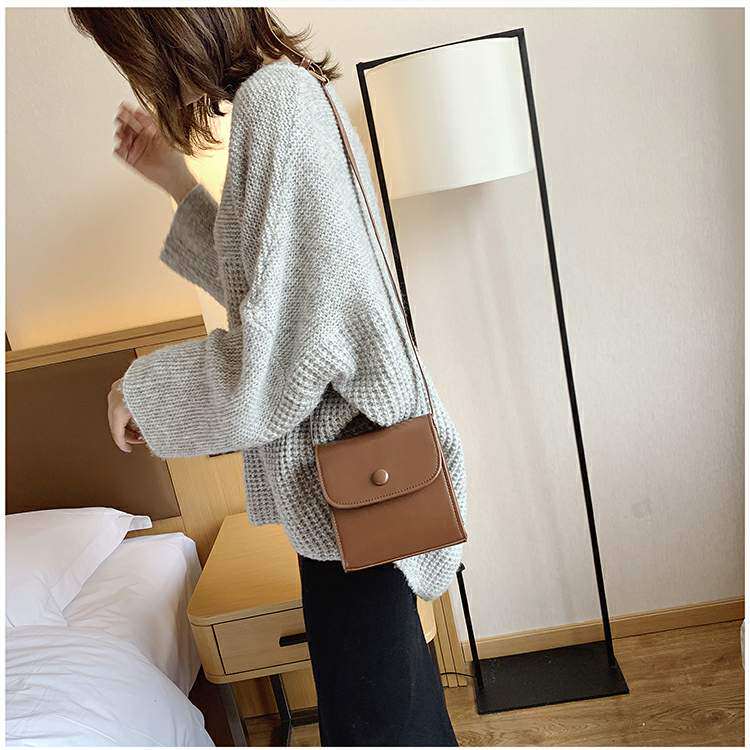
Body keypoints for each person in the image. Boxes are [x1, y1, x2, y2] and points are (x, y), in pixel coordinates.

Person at [70, 8, 467, 746]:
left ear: (163, 34)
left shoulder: (274, 107)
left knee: (379, 730)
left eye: (126, 50)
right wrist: (176, 181)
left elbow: (277, 362)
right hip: (356, 490)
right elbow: (276, 296)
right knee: (397, 719)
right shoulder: (286, 93)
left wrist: (140, 390)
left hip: (355, 498)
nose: (137, 75)